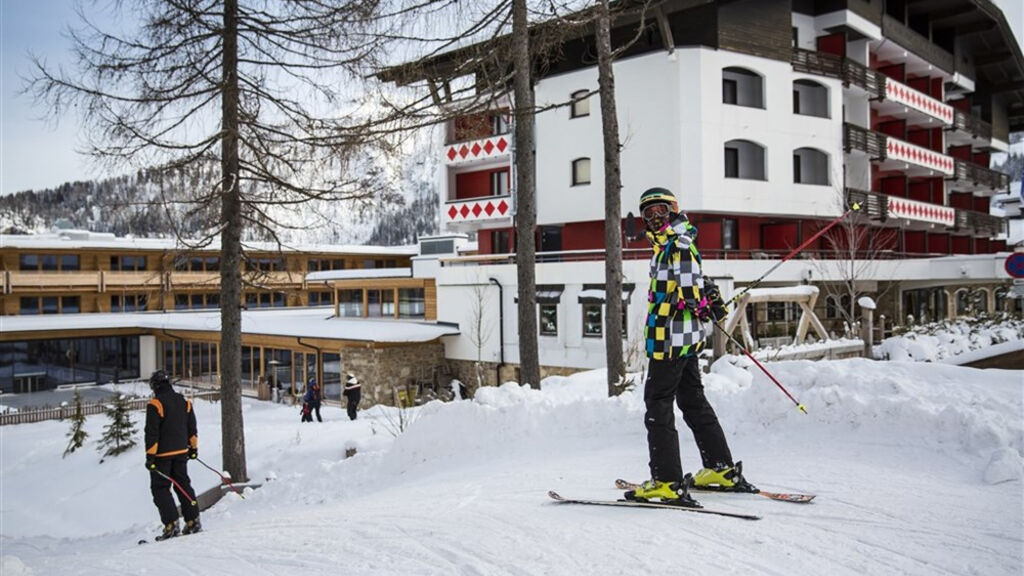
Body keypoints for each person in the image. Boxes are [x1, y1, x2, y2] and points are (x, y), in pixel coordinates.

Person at [625, 187, 752, 507]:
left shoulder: (677, 245)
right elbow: (695, 281)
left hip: (670, 340)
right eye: (649, 214)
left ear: (673, 210)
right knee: (692, 400)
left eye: (661, 211)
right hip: (683, 339)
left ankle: (666, 481)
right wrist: (708, 298)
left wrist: (703, 301)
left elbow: (690, 289)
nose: (655, 218)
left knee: (657, 403)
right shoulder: (674, 243)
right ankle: (720, 469)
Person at [144, 370, 201, 539]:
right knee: (183, 485)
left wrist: (150, 456)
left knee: (160, 489)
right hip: (181, 453)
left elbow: (152, 433)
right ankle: (193, 520)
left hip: (162, 456)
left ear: (155, 386)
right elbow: (192, 428)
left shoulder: (155, 404)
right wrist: (193, 448)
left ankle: (171, 524)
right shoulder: (184, 402)